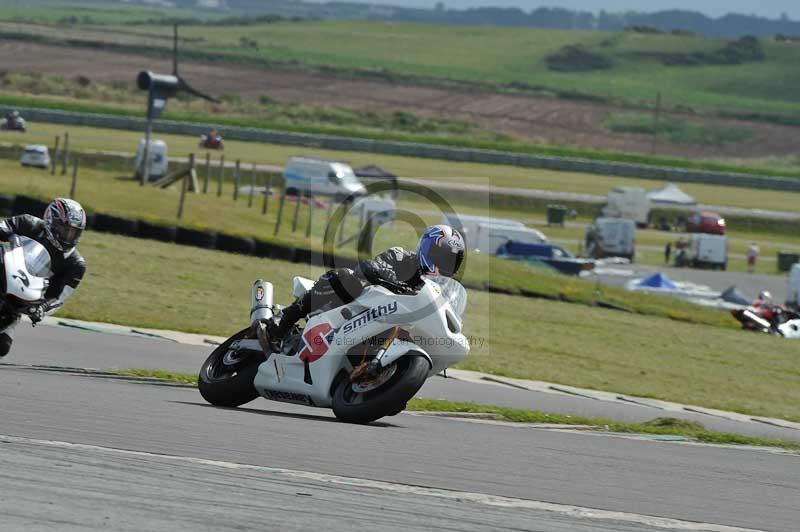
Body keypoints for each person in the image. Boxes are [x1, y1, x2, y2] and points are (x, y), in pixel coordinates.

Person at [259, 224, 466, 350]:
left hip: (388, 326)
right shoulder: (400, 255)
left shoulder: (434, 289)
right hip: (360, 306)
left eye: (448, 262)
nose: (441, 265)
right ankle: (283, 322)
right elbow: (371, 267)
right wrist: (396, 283)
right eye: (439, 257)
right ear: (427, 249)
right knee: (345, 277)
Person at [0, 198, 87, 357]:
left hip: (22, 298)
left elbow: (58, 298)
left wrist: (42, 309)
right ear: (50, 221)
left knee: (2, 347)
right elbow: (2, 228)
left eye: (73, 232)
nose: (68, 235)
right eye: (64, 229)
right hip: (4, 271)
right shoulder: (27, 223)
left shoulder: (76, 264)